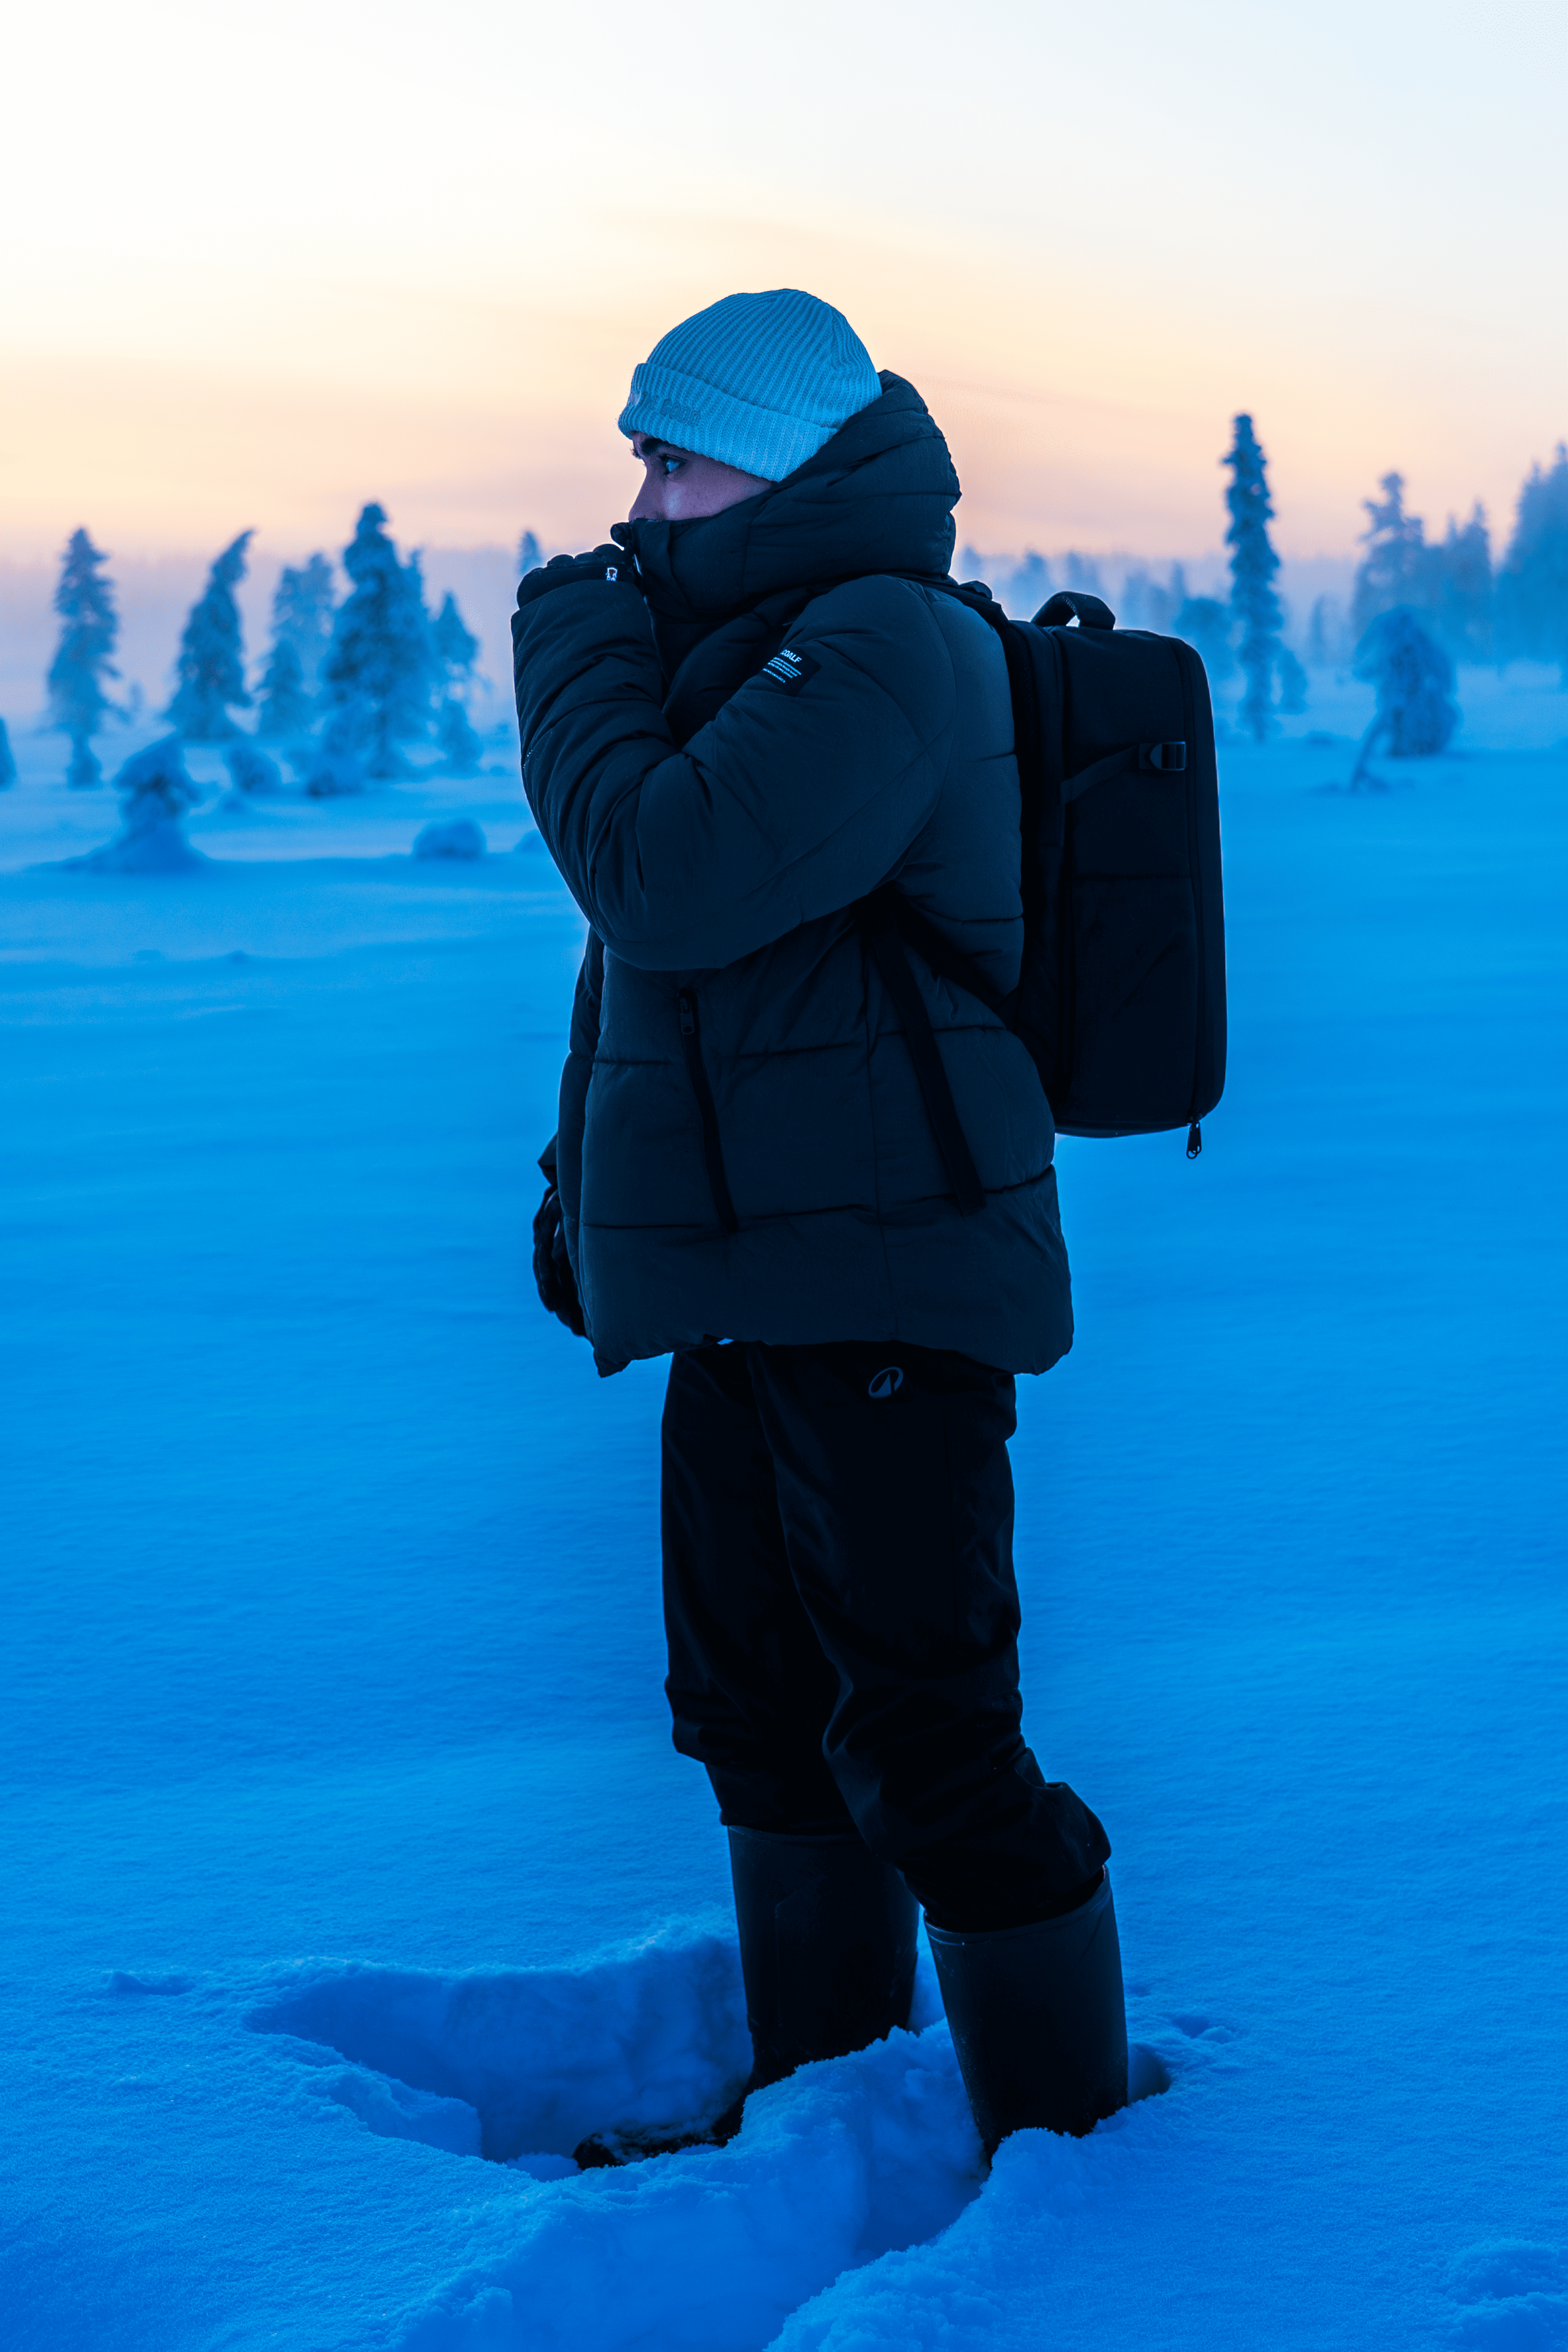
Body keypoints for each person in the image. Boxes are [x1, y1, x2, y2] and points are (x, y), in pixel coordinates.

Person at [513, 288, 1126, 2162]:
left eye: (677, 458)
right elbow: (645, 982)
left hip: (884, 1276)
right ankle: (819, 2121)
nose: (642, 496)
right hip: (749, 1275)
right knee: (760, 1715)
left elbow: (663, 878)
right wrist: (578, 1187)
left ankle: (1074, 2172)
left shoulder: (880, 643)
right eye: (641, 455)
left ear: (781, 465)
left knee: (929, 1744)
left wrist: (571, 650)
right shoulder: (739, 649)